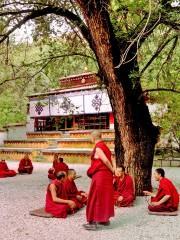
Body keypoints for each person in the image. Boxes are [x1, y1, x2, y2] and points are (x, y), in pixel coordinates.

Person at [83, 131, 115, 231]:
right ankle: (104, 219)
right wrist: (113, 169)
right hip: (106, 175)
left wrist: (112, 169)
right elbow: (112, 158)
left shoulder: (98, 147)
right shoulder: (105, 146)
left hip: (100, 175)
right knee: (104, 196)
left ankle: (93, 221)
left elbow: (105, 160)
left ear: (93, 138)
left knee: (95, 196)